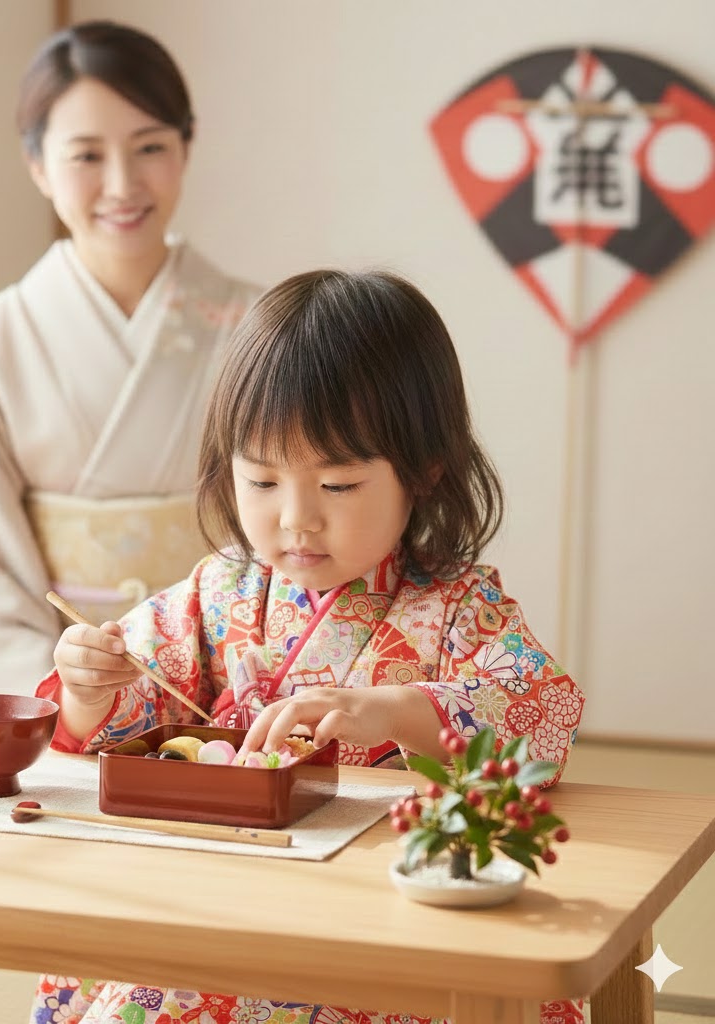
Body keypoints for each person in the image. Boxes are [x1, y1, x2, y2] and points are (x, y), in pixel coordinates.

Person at [33, 269, 587, 1024]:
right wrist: (89, 687)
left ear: (424, 470)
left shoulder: (458, 606)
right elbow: (131, 715)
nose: (296, 519)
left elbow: (540, 716)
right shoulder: (218, 591)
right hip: (215, 901)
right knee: (110, 972)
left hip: (381, 924)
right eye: (262, 482)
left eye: (338, 486)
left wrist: (393, 710)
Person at [0, 22, 261, 701]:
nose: (122, 184)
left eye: (149, 147)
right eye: (86, 155)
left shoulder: (260, 328)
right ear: (38, 165)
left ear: (186, 145)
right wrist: (66, 698)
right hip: (59, 697)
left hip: (233, 685)